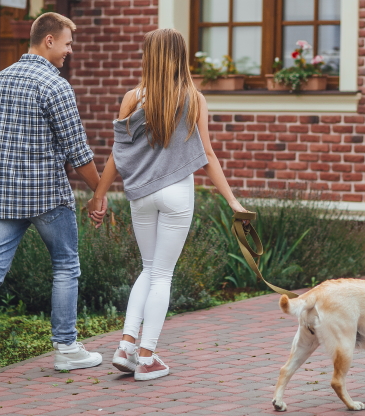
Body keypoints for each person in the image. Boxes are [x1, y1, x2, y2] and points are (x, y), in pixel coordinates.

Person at [0, 12, 106, 383]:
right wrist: (99, 193)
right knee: (66, 266)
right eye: (67, 43)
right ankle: (67, 349)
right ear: (48, 40)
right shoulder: (54, 86)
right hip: (47, 197)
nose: (70, 50)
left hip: (4, 198)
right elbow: (78, 151)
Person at [87, 28, 248, 381]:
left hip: (141, 195)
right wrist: (233, 201)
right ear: (181, 57)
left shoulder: (132, 97)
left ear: (149, 56)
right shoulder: (194, 98)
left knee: (148, 269)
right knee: (162, 275)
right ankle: (146, 358)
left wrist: (99, 195)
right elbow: (207, 155)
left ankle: (126, 346)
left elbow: (118, 154)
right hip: (177, 194)